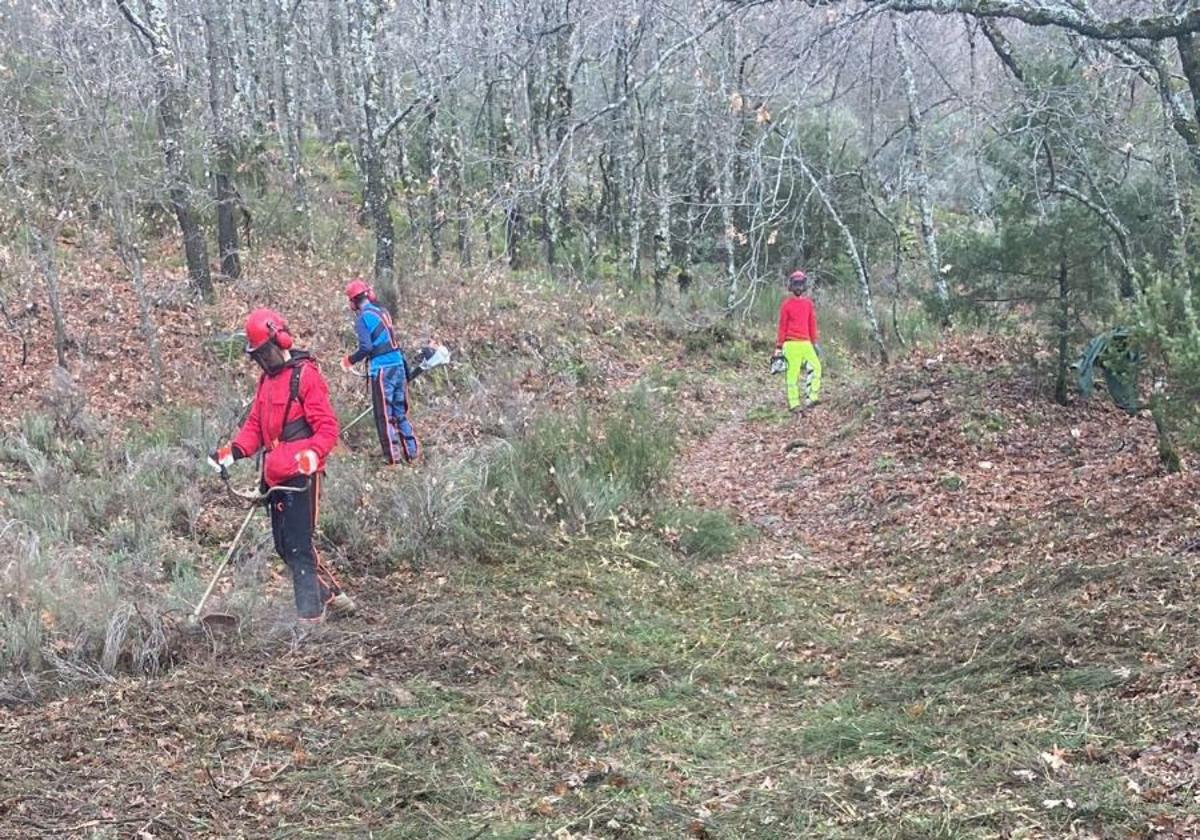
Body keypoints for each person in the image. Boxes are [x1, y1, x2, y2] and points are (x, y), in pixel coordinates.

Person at [209, 307, 355, 625]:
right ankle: (330, 594)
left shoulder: (307, 377)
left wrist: (313, 455)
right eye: (257, 356)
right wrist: (231, 452)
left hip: (301, 478)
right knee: (284, 547)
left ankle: (310, 621)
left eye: (265, 353)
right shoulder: (266, 382)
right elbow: (255, 427)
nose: (263, 360)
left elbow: (327, 428)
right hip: (273, 478)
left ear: (281, 341)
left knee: (300, 547)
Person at [340, 279, 420, 465]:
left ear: (352, 302)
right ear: (368, 294)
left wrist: (349, 361)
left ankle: (393, 461)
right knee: (400, 412)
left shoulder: (361, 319)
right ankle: (412, 454)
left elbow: (366, 347)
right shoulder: (383, 312)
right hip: (399, 365)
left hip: (382, 370)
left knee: (384, 416)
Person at [772, 269, 822, 412]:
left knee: (816, 367)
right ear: (791, 286)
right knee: (792, 374)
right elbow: (782, 327)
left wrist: (814, 342)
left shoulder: (808, 304)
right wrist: (779, 346)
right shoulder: (786, 305)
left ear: (804, 285)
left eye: (801, 284)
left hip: (806, 343)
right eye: (796, 284)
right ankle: (794, 404)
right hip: (790, 343)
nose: (798, 287)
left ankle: (811, 398)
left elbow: (812, 324)